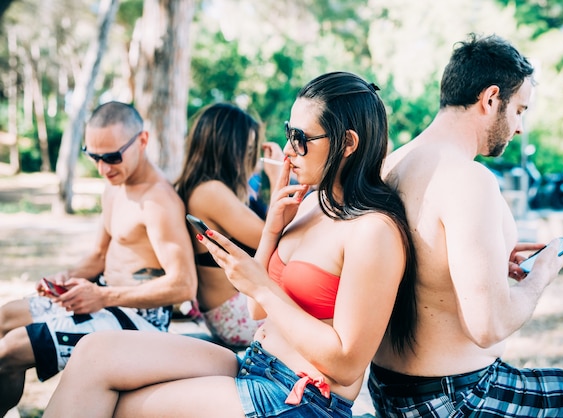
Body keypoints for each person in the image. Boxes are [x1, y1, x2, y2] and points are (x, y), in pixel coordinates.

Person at [43, 71, 418, 418]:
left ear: (348, 143)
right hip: (257, 362)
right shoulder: (308, 205)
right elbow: (256, 310)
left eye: (301, 140)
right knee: (95, 353)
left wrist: (260, 285)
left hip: (300, 398)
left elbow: (347, 363)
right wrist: (272, 229)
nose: (288, 151)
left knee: (120, 407)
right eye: (290, 133)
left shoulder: (374, 231)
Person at [369, 32, 563, 416]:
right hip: (457, 398)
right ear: (491, 99)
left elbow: (423, 269)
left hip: (392, 390)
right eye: (520, 109)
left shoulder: (392, 165)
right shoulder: (467, 178)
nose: (520, 126)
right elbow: (487, 327)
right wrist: (542, 272)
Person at [0, 101, 197, 416]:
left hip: (139, 320)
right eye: (94, 157)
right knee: (5, 317)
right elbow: (99, 255)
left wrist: (103, 296)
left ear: (142, 141)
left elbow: (184, 285)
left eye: (112, 157)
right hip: (104, 298)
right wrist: (64, 278)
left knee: (11, 349)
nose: (104, 168)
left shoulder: (158, 200)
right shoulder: (115, 186)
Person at [174, 102, 283, 347]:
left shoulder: (200, 187)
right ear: (230, 150)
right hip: (237, 316)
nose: (253, 161)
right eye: (249, 151)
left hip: (228, 314)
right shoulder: (211, 191)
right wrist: (277, 178)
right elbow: (276, 239)